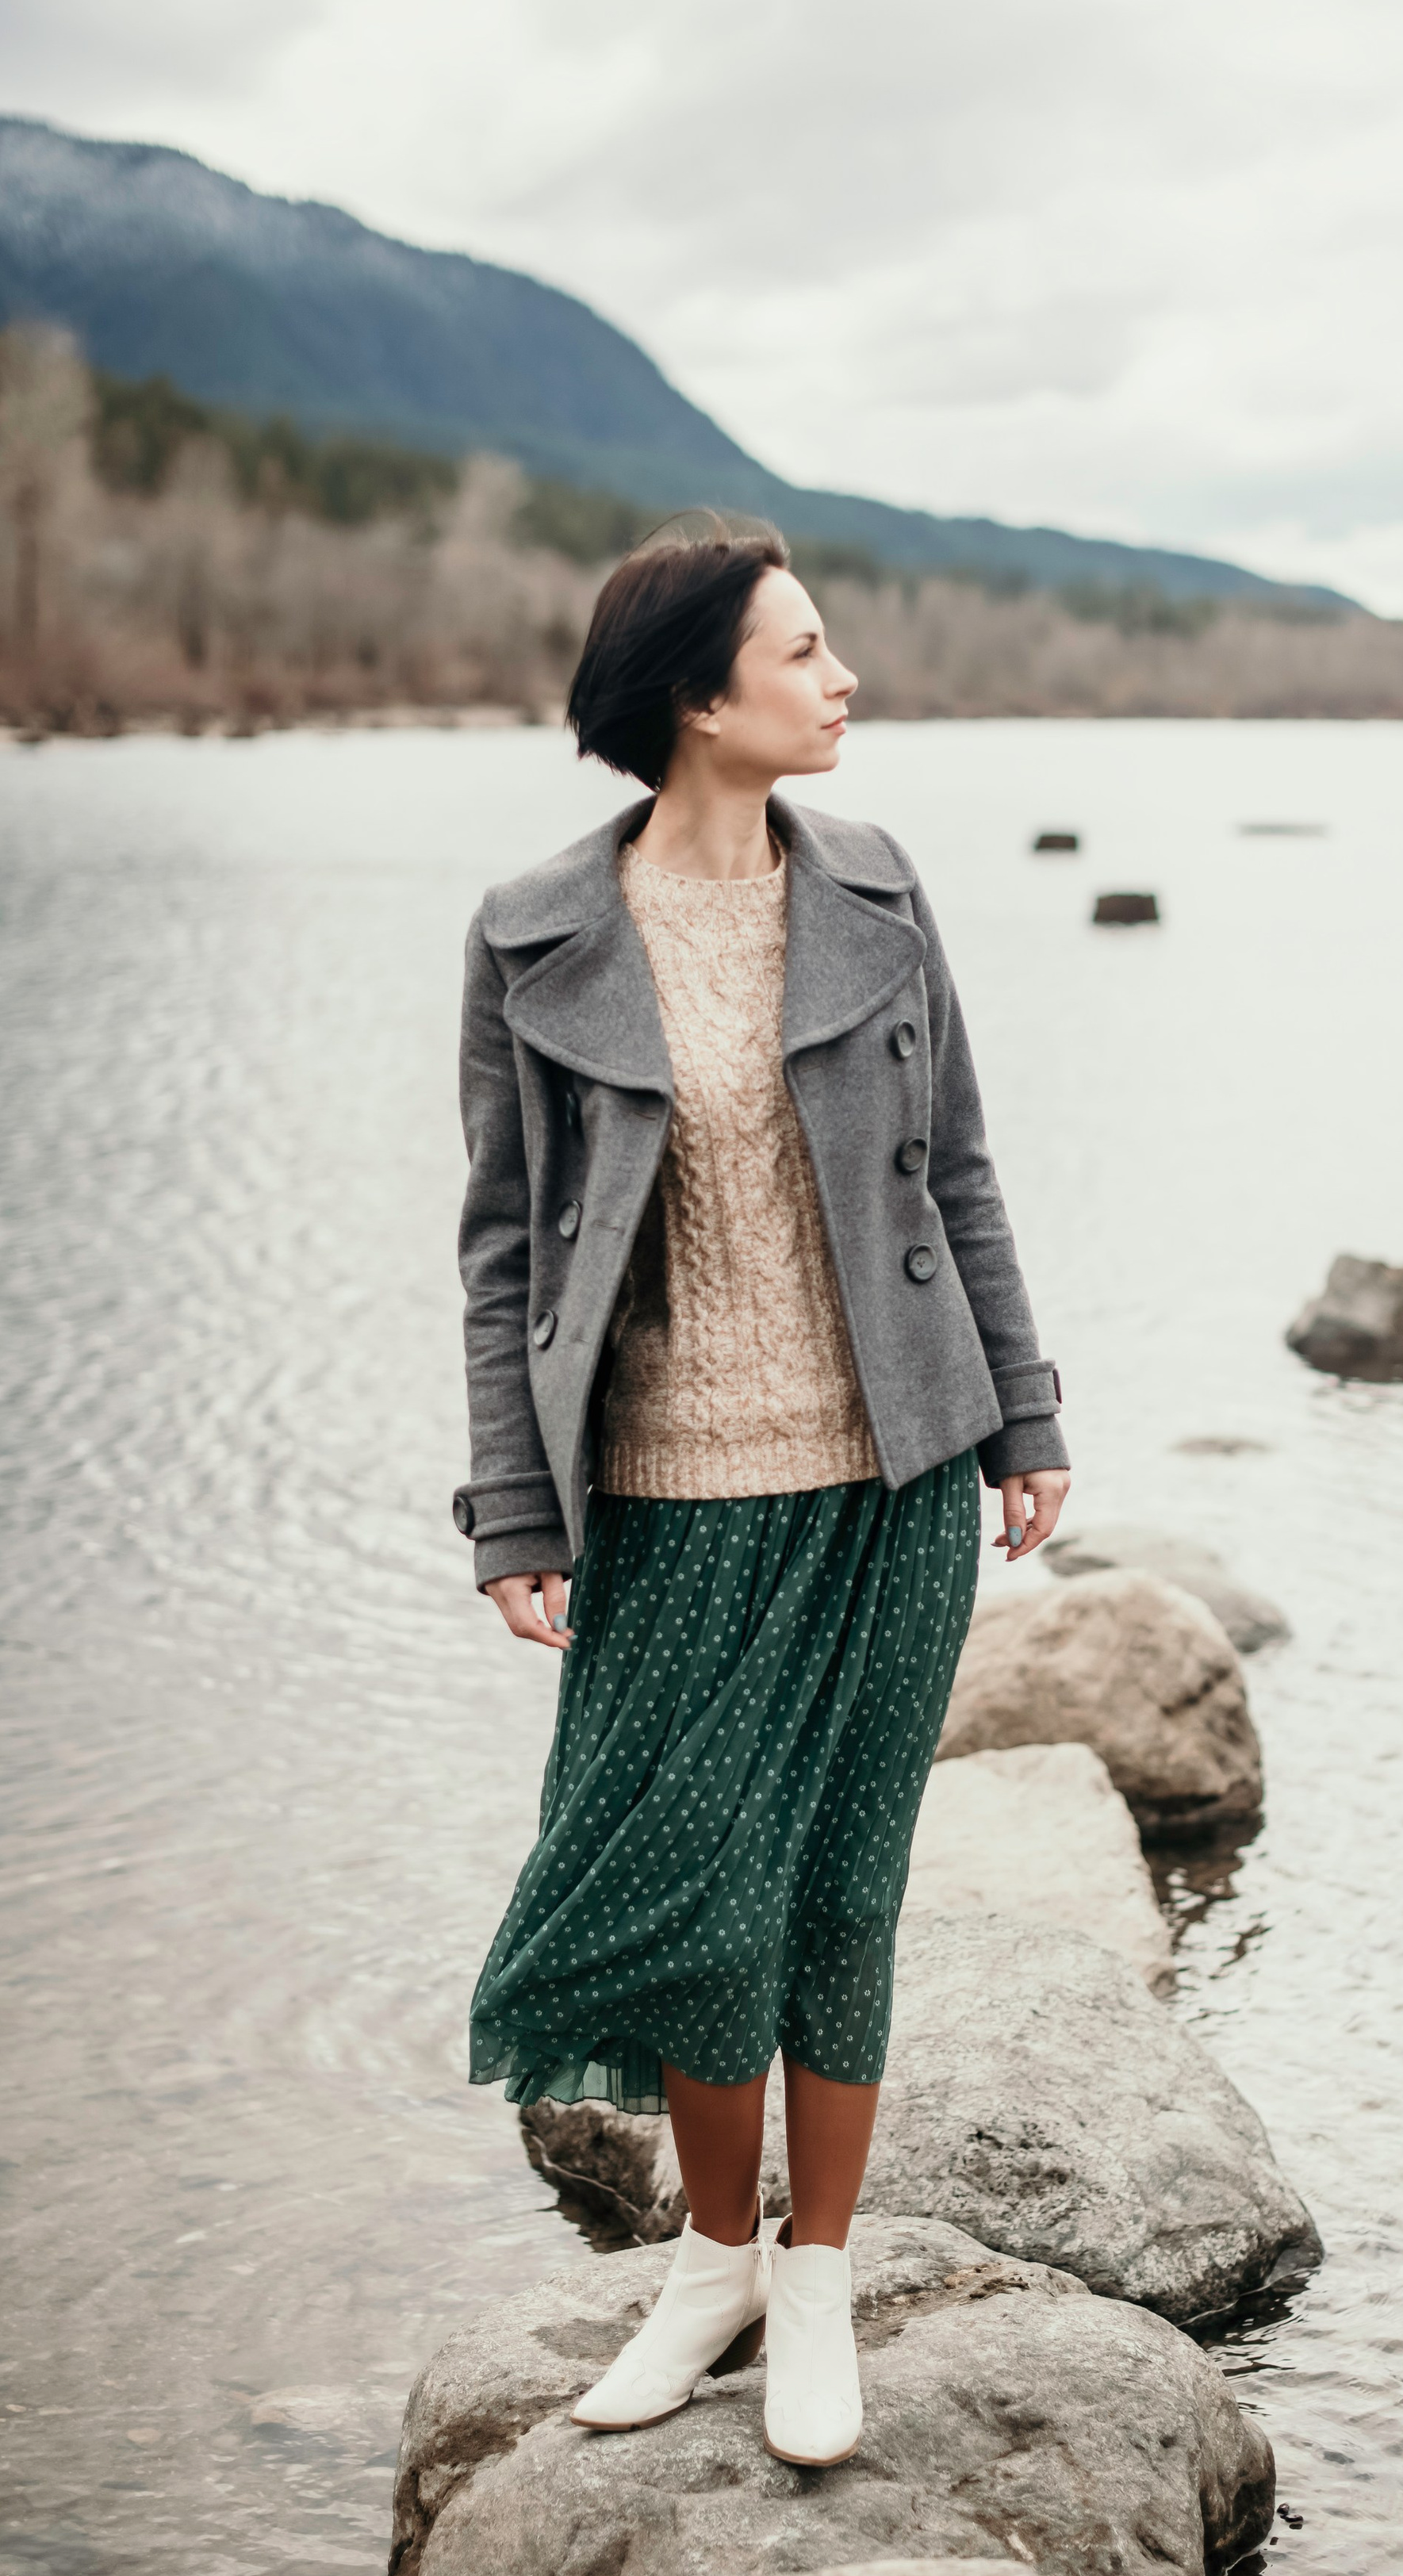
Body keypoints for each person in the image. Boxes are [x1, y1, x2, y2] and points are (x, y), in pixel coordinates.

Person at [450, 519, 1070, 2467]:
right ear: (698, 700)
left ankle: (813, 2280)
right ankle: (708, 2258)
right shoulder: (534, 934)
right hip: (663, 1499)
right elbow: (500, 1256)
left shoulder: (878, 891)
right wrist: (513, 1511)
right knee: (687, 1906)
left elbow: (955, 1166)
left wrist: (1025, 1413)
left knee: (834, 1902)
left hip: (890, 1476)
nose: (843, 678)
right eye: (804, 654)